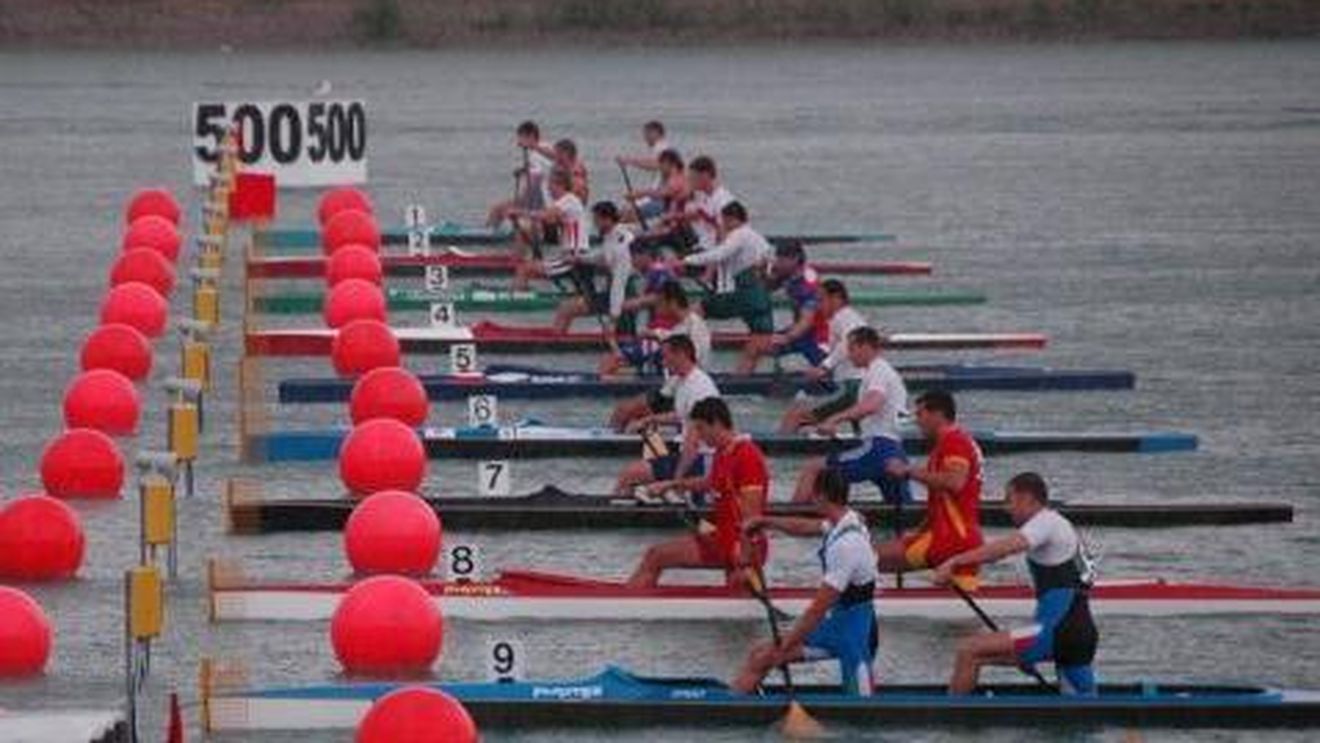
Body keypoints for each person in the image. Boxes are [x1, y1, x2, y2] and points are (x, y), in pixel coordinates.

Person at [933, 472, 1098, 696]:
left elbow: (1004, 548)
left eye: (1009, 499)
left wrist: (955, 562)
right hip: (1082, 635)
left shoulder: (1045, 521)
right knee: (1083, 713)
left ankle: (948, 721)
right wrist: (1025, 651)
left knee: (969, 650)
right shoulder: (1062, 524)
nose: (1006, 508)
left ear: (1026, 498)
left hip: (1056, 631)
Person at [732, 468, 878, 696]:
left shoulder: (847, 545)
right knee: (760, 656)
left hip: (853, 636)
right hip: (841, 624)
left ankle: (732, 707)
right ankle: (741, 703)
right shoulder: (846, 520)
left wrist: (788, 642)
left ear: (820, 496)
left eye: (812, 493)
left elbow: (818, 610)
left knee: (862, 717)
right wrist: (766, 521)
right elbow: (805, 527)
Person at [627, 397, 768, 588]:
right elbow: (710, 482)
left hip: (742, 546)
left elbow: (752, 514)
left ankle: (629, 606)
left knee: (656, 555)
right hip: (723, 538)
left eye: (701, 429)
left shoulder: (747, 456)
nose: (699, 437)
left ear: (717, 423)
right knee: (733, 598)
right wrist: (670, 485)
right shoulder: (723, 451)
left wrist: (744, 559)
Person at [790, 326, 910, 505]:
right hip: (895, 451)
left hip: (877, 449)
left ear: (865, 347)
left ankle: (791, 517)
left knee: (813, 468)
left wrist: (834, 419)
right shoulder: (883, 371)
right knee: (903, 511)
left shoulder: (878, 371)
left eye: (851, 349)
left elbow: (872, 404)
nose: (848, 355)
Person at [878, 390, 984, 589]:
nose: (917, 421)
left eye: (920, 414)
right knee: (959, 616)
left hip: (950, 540)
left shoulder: (954, 442)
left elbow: (955, 482)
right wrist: (919, 532)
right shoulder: (954, 442)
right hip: (964, 539)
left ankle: (852, 605)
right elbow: (946, 500)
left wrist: (907, 471)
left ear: (938, 414)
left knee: (865, 558)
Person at [612, 335, 720, 496]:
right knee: (645, 462)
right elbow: (681, 415)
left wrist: (676, 481)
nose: (662, 362)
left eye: (665, 357)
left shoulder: (699, 388)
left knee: (629, 474)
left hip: (702, 459)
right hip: (693, 453)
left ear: (681, 354)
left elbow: (693, 441)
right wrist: (648, 419)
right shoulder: (683, 380)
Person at [682, 201, 774, 374]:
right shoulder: (758, 238)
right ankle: (742, 381)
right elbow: (769, 267)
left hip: (745, 295)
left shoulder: (739, 234)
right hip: (762, 299)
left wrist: (686, 260)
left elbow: (720, 253)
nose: (722, 227)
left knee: (696, 311)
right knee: (753, 349)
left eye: (723, 222)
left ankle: (693, 363)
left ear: (732, 219)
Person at [779, 279, 870, 433]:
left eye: (821, 300)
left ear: (836, 298)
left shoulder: (844, 317)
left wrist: (824, 367)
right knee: (862, 433)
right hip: (858, 386)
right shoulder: (846, 318)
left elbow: (849, 341)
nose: (818, 306)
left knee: (796, 415)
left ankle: (774, 452)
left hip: (852, 388)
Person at [552, 200, 634, 335]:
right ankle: (557, 337)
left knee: (566, 308)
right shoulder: (615, 234)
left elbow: (619, 284)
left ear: (607, 219)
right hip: (616, 293)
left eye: (596, 220)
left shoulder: (620, 248)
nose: (594, 224)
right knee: (566, 307)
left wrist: (613, 319)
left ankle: (555, 344)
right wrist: (578, 258)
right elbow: (602, 255)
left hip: (623, 296)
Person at [602, 278, 710, 378]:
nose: (656, 307)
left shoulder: (694, 326)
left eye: (660, 302)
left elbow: (692, 362)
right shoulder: (681, 327)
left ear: (671, 302)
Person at [508, 169, 590, 290]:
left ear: (559, 185)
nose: (549, 191)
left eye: (550, 187)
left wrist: (519, 212)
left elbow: (547, 215)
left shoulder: (568, 200)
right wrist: (522, 227)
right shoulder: (567, 203)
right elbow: (548, 223)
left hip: (573, 257)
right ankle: (523, 292)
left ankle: (517, 300)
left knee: (524, 269)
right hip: (571, 255)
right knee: (529, 268)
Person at [760, 241, 829, 369]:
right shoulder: (788, 273)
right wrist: (763, 272)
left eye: (782, 259)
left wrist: (787, 337)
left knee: (825, 371)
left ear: (795, 259)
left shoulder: (808, 283)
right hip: (802, 330)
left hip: (818, 334)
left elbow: (806, 321)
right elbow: (767, 287)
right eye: (777, 258)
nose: (778, 263)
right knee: (767, 345)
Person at [486, 120, 552, 229]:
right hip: (538, 200)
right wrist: (523, 170)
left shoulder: (541, 150)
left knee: (498, 209)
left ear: (530, 136)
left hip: (542, 203)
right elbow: (542, 170)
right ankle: (493, 233)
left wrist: (521, 201)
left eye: (520, 137)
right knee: (500, 208)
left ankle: (489, 237)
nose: (518, 142)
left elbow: (536, 181)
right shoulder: (537, 151)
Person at [626, 149, 693, 249]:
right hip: (669, 223)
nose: (660, 167)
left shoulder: (677, 179)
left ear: (670, 164)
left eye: (662, 164)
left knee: (638, 241)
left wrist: (639, 194)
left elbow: (661, 193)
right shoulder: (677, 177)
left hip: (677, 229)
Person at [680, 155, 736, 254]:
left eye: (693, 178)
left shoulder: (722, 201)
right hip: (700, 243)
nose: (690, 182)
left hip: (710, 251)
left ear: (705, 176)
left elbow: (723, 236)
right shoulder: (702, 195)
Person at [616, 120, 670, 221]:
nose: (645, 138)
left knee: (627, 213)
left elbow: (654, 165)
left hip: (661, 199)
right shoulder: (659, 148)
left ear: (655, 133)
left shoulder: (662, 148)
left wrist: (628, 161)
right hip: (655, 195)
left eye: (647, 134)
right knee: (624, 211)